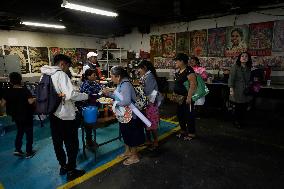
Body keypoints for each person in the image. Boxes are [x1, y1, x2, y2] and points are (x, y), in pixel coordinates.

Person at [40, 54, 88, 181]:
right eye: (68, 66)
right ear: (62, 64)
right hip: (65, 115)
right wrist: (85, 96)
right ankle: (71, 170)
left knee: (57, 143)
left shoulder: (45, 74)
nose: (68, 69)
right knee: (71, 143)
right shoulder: (61, 74)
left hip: (52, 113)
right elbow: (70, 95)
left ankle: (63, 166)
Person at [103, 66, 145, 165]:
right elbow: (119, 97)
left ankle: (134, 156)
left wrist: (113, 103)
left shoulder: (125, 84)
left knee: (132, 134)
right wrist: (109, 95)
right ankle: (127, 152)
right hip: (124, 114)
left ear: (118, 76)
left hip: (131, 115)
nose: (111, 78)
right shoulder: (121, 83)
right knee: (125, 132)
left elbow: (126, 101)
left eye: (112, 76)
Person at [0, 72, 36, 158]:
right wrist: (36, 98)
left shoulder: (8, 91)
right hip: (27, 115)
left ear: (11, 81)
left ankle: (17, 149)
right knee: (29, 133)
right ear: (20, 80)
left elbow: (2, 104)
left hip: (16, 116)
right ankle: (29, 152)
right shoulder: (25, 90)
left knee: (20, 132)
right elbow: (30, 101)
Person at [137, 60, 161, 149]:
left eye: (139, 68)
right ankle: (148, 140)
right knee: (146, 122)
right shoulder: (145, 76)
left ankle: (155, 141)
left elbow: (149, 91)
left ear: (145, 68)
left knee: (152, 123)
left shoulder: (149, 76)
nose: (138, 70)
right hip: (147, 102)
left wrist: (139, 89)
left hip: (151, 103)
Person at [173, 53, 197, 140]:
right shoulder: (179, 71)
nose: (175, 62)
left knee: (189, 115)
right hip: (179, 98)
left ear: (182, 61)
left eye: (176, 60)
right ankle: (183, 131)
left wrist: (189, 97)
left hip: (187, 97)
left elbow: (193, 84)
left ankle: (191, 133)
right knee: (180, 114)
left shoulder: (189, 70)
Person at [228, 52, 252, 128]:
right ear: (239, 58)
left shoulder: (248, 68)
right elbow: (231, 79)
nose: (244, 57)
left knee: (244, 107)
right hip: (237, 89)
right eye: (242, 56)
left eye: (246, 56)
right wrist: (231, 89)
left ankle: (242, 121)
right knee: (238, 107)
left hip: (245, 90)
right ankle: (236, 122)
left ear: (248, 59)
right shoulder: (235, 67)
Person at [80, 68, 102, 148]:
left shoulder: (94, 83)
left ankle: (90, 141)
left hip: (95, 106)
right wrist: (97, 95)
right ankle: (88, 142)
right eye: (94, 75)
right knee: (88, 126)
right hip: (88, 108)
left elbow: (100, 89)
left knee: (92, 125)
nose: (96, 76)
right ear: (88, 76)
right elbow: (87, 96)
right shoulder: (85, 85)